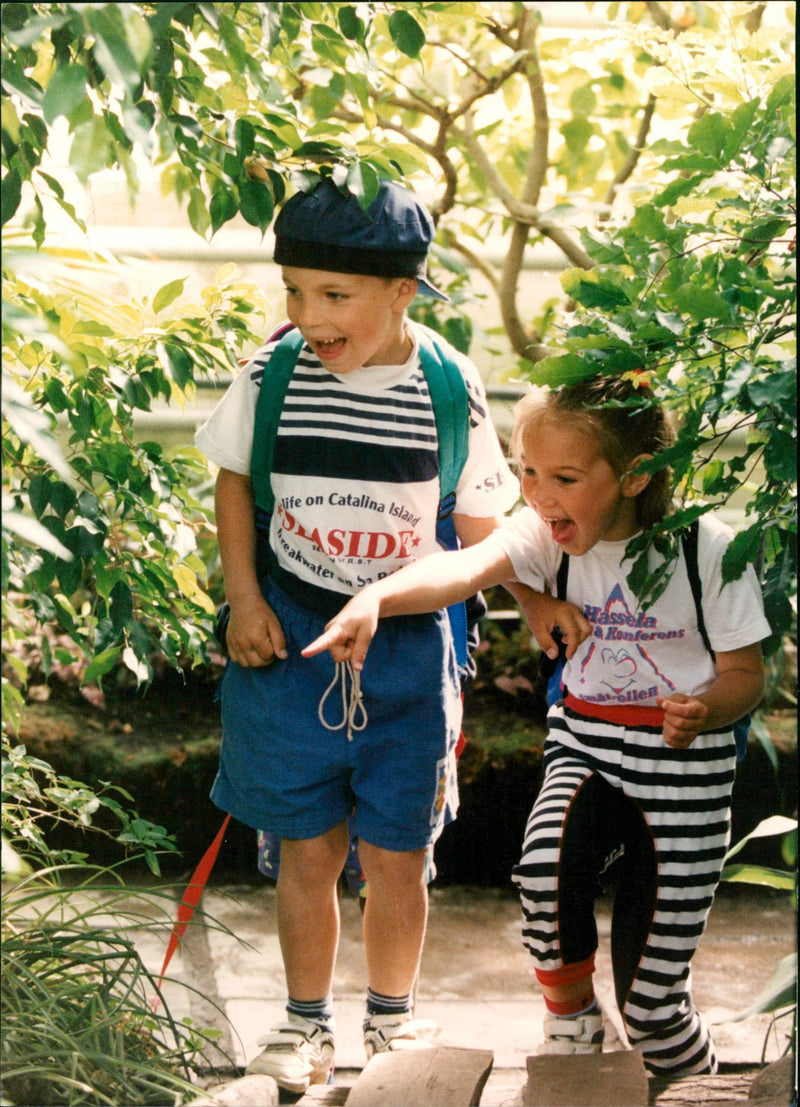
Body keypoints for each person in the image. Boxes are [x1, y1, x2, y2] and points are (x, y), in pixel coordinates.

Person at [194, 176, 585, 1094]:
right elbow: (233, 483)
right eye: (294, 290)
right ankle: (302, 1024)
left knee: (398, 852)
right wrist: (244, 598)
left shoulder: (448, 383)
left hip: (409, 645)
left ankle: (391, 1018)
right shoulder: (273, 372)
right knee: (309, 844)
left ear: (402, 292)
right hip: (295, 633)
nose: (308, 314)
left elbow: (484, 523)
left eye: (334, 296)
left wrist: (530, 607)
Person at [304, 373, 770, 1078]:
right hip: (586, 741)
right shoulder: (547, 534)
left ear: (637, 476)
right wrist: (377, 597)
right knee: (545, 866)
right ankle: (573, 1025)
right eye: (527, 470)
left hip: (684, 772)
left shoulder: (706, 549)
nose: (539, 492)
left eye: (565, 476)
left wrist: (709, 707)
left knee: (654, 1009)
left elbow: (748, 675)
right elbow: (464, 568)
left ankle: (690, 1079)